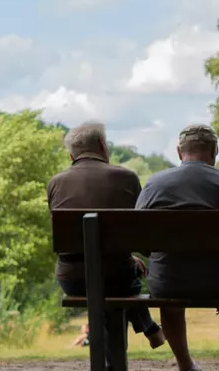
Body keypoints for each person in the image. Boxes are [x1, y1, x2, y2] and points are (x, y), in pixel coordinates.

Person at [135, 123, 219, 371]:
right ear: (214, 150)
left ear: (179, 151)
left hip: (170, 280)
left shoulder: (154, 184)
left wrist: (160, 260)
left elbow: (139, 237)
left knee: (168, 299)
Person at [48, 121, 165, 355]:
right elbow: (139, 234)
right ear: (103, 145)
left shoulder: (55, 183)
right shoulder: (127, 178)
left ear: (72, 155)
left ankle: (114, 367)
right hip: (116, 277)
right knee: (124, 277)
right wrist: (132, 257)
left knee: (116, 274)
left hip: (72, 278)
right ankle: (146, 331)